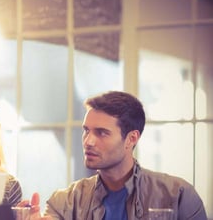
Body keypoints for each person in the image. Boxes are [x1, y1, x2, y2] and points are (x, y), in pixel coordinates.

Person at [21, 91, 207, 220]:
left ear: (131, 139)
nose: (88, 141)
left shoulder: (178, 196)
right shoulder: (65, 201)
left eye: (101, 132)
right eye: (86, 131)